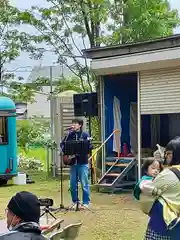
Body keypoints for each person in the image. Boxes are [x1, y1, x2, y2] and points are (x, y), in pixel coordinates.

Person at [139, 137, 180, 240]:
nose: (166, 156)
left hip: (162, 226)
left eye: (169, 153)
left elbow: (146, 200)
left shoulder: (167, 174)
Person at [61, 118, 92, 209]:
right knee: (72, 184)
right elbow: (63, 145)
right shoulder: (69, 135)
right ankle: (75, 201)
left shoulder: (85, 135)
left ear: (80, 125)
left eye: (75, 123)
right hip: (73, 163)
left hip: (82, 162)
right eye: (73, 123)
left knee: (84, 183)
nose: (73, 125)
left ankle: (86, 202)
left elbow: (89, 146)